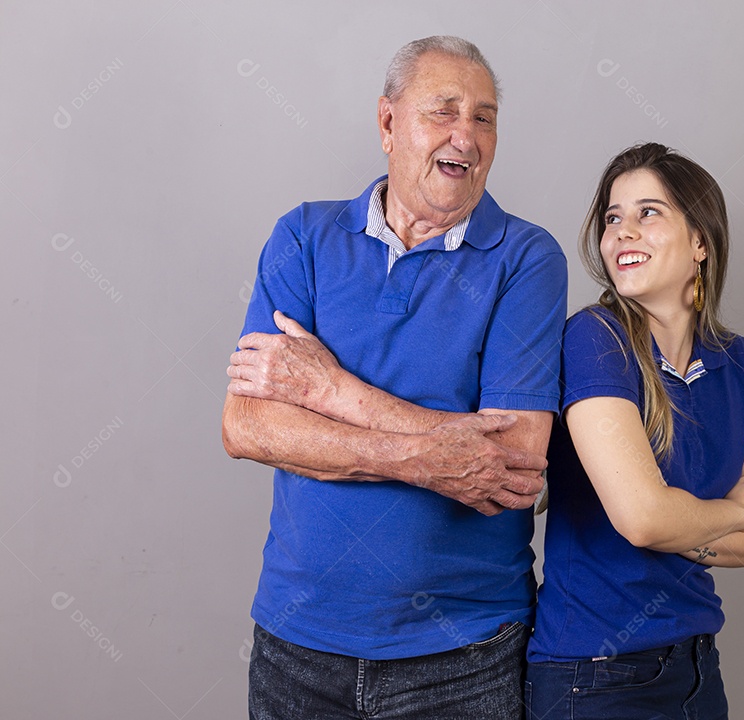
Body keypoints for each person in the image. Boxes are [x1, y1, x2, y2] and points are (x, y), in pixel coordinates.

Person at [221, 36, 567, 719]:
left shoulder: (525, 258)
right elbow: (247, 425)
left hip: (463, 658)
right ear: (387, 123)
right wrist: (430, 456)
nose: (465, 136)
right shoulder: (303, 237)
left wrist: (330, 392)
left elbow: (514, 464)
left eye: (485, 117)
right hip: (296, 644)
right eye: (444, 111)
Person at [525, 143, 744, 719]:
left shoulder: (741, 363)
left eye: (648, 212)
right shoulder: (596, 340)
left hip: (697, 667)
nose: (624, 232)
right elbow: (645, 520)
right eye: (612, 218)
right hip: (593, 676)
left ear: (701, 240)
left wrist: (682, 523)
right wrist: (740, 512)